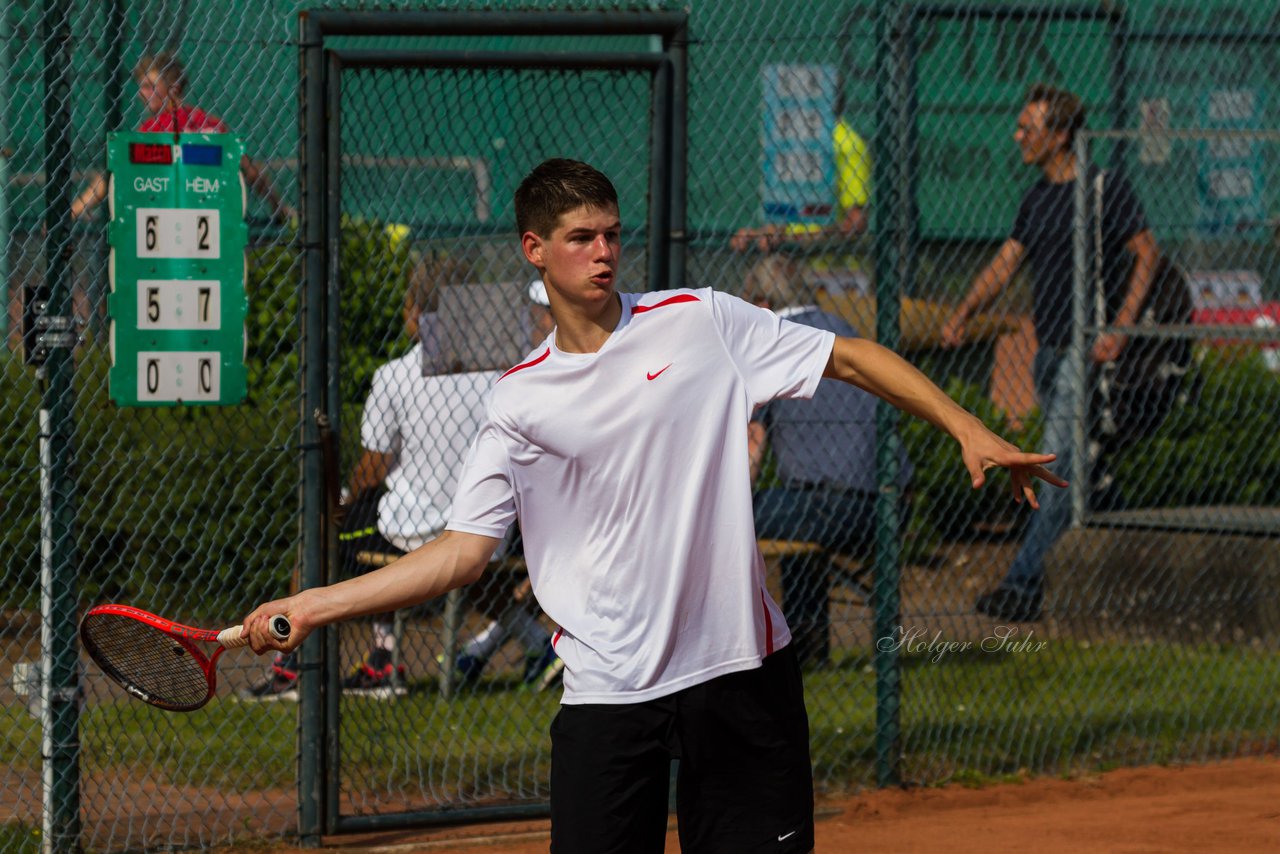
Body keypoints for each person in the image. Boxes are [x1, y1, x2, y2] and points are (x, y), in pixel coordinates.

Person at [239, 158, 1063, 851]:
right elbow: (461, 553)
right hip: (609, 692)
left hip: (742, 674)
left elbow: (847, 357)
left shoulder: (700, 321)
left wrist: (967, 427)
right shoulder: (518, 401)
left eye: (611, 234)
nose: (603, 253)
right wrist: (315, 605)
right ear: (535, 249)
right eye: (579, 239)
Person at [240, 254, 556, 701]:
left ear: (417, 314)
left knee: (329, 536)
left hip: (416, 533)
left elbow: (373, 469)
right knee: (467, 568)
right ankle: (537, 645)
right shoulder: (506, 375)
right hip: (487, 532)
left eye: (409, 305)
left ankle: (302, 668)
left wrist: (344, 500)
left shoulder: (395, 376)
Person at [940, 83, 1160, 623]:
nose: (1018, 136)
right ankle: (1118, 563)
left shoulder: (1105, 189)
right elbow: (1005, 262)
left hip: (1086, 355)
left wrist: (1121, 329)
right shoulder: (1036, 199)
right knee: (1077, 468)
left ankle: (1024, 584)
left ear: (1060, 136)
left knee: (1055, 462)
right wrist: (963, 311)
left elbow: (1147, 256)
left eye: (1028, 128)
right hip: (1050, 352)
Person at [744, 255, 913, 668]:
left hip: (823, 505)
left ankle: (735, 650)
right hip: (891, 503)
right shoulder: (845, 331)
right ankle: (808, 650)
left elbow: (753, 446)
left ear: (762, 302)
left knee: (720, 515)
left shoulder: (772, 342)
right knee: (797, 504)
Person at [70, 52, 292, 223]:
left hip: (170, 221)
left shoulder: (152, 130)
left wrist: (72, 212)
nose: (141, 94)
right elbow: (250, 170)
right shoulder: (210, 123)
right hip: (214, 218)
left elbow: (112, 173)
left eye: (149, 87)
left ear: (173, 88)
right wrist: (280, 208)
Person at [731, 117, 871, 295]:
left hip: (837, 278)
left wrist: (800, 239)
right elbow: (791, 216)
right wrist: (761, 234)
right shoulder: (796, 139)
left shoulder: (848, 142)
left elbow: (856, 224)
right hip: (792, 273)